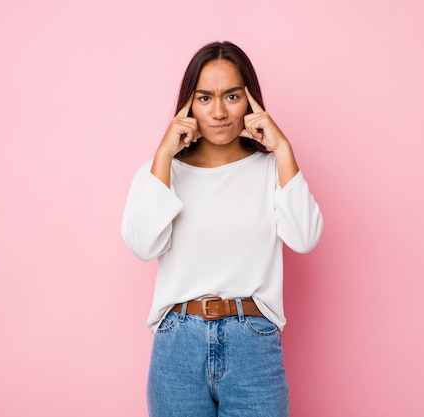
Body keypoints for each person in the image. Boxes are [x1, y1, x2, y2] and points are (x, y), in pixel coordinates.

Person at [121, 41, 323, 417]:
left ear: (251, 102)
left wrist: (283, 150)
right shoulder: (161, 171)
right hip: (177, 345)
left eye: (232, 96)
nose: (218, 112)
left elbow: (306, 236)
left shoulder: (270, 170)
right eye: (204, 97)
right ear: (188, 104)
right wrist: (164, 155)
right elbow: (143, 244)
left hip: (253, 346)